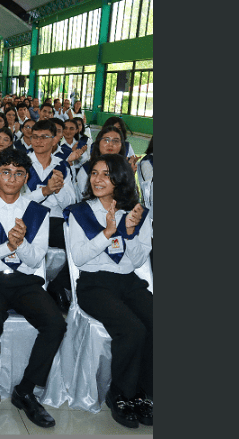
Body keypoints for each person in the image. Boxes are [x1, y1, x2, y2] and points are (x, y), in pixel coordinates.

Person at [0, 148, 66, 431]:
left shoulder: (37, 212)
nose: (11, 178)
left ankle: (25, 390)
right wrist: (7, 246)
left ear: (26, 178)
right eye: (6, 172)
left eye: (19, 173)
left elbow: (36, 259)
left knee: (55, 324)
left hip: (25, 282)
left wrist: (21, 244)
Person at [64, 154, 152, 429]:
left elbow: (137, 260)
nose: (97, 179)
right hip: (94, 284)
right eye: (94, 173)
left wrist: (130, 231)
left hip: (128, 280)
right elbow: (79, 257)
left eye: (106, 174)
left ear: (120, 178)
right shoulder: (80, 212)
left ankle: (144, 391)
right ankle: (121, 392)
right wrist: (109, 233)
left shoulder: (138, 212)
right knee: (132, 328)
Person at [25, 120, 77, 312]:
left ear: (54, 139)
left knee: (78, 242)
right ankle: (31, 289)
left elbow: (70, 202)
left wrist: (59, 189)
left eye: (44, 137)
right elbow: (16, 200)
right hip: (28, 219)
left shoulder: (62, 166)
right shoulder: (21, 162)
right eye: (35, 137)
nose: (38, 141)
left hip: (54, 219)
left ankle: (58, 286)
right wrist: (45, 191)